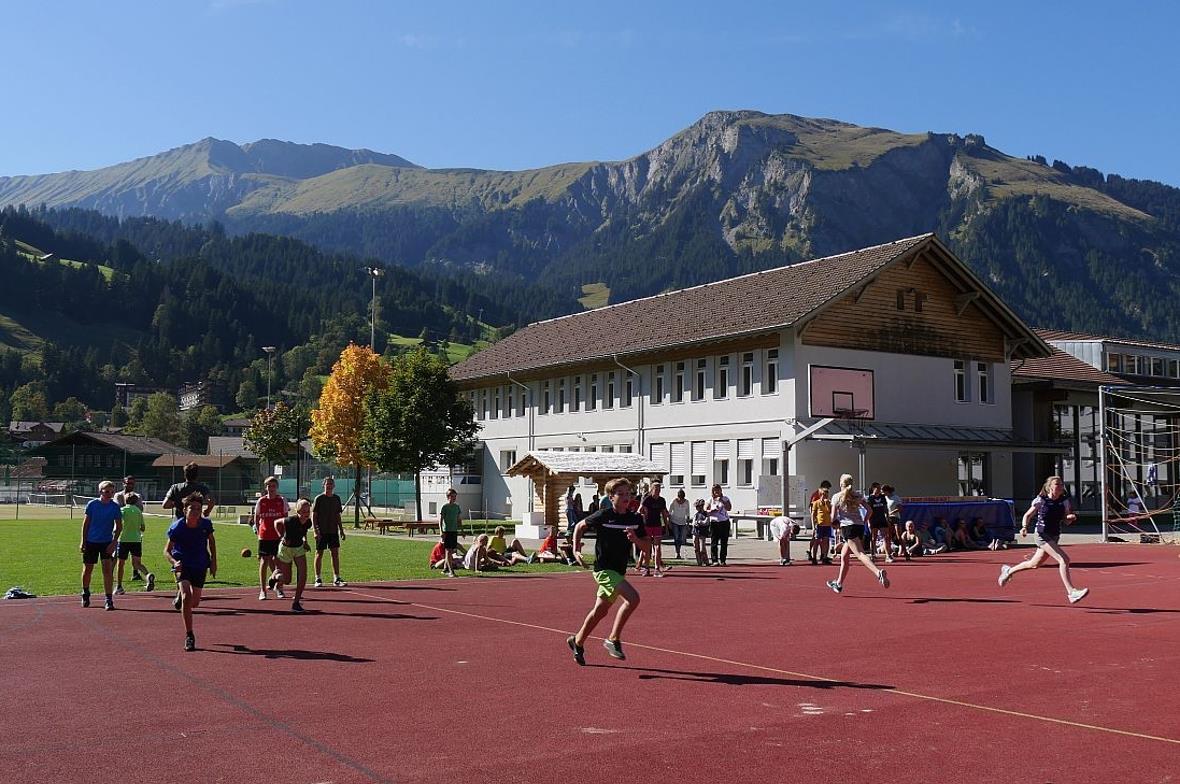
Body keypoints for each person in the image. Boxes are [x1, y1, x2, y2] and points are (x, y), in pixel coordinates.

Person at [566, 477, 646, 665]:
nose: (626, 497)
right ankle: (613, 639)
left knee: (600, 611)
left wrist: (635, 539)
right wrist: (576, 549)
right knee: (633, 598)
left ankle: (577, 641)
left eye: (629, 493)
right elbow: (579, 526)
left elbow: (647, 547)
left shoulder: (635, 519)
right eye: (621, 493)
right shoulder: (604, 515)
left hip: (619, 571)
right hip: (603, 570)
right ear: (611, 497)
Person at [998, 476, 1089, 604]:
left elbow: (1066, 520)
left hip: (1054, 535)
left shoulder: (1064, 501)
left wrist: (1070, 518)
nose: (1061, 486)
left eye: (1062, 484)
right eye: (1057, 484)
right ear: (1050, 487)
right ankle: (1071, 592)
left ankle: (1008, 571)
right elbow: (1027, 515)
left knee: (1034, 564)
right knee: (1064, 559)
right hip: (1042, 534)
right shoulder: (1041, 500)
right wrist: (1024, 527)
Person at [164, 492, 217, 652]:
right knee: (188, 597)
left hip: (200, 564)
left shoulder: (205, 525)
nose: (195, 511)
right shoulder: (178, 527)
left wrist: (214, 561)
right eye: (192, 508)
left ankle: (181, 596)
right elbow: (166, 551)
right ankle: (189, 635)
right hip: (183, 564)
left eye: (198, 508)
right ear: (185, 509)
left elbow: (212, 542)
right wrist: (174, 562)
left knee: (194, 602)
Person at [826, 474, 889, 593]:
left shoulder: (836, 497)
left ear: (841, 484)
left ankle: (878, 573)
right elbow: (870, 510)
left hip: (848, 528)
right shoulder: (858, 495)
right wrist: (864, 521)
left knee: (860, 553)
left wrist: (834, 522)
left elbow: (833, 516)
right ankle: (838, 583)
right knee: (844, 556)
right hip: (859, 526)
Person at [79, 480, 123, 610]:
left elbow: (119, 526)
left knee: (107, 570)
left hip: (106, 542)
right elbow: (86, 524)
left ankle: (108, 599)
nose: (109, 494)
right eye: (106, 491)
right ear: (100, 492)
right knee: (88, 569)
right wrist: (83, 541)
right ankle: (85, 593)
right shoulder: (92, 504)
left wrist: (114, 542)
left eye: (111, 492)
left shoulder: (115, 507)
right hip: (91, 542)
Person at [271, 498, 312, 612]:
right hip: (286, 549)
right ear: (298, 512)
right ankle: (275, 577)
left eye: (308, 511)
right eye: (303, 512)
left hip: (298, 548)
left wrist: (305, 542)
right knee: (287, 580)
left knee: (303, 574)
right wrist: (281, 536)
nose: (306, 514)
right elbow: (276, 522)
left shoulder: (308, 522)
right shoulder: (290, 521)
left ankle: (296, 603)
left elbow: (303, 532)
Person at [253, 476, 288, 599]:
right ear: (265, 487)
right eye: (269, 486)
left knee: (279, 563)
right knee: (264, 561)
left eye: (273, 486)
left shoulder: (281, 500)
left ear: (277, 487)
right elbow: (257, 517)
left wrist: (284, 534)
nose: (271, 488)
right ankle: (263, 590)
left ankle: (279, 588)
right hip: (264, 535)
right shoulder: (261, 501)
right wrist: (258, 531)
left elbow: (285, 518)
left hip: (278, 536)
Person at [114, 491, 155, 594]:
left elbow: (117, 526)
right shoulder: (138, 511)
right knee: (137, 563)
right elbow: (143, 527)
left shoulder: (122, 510)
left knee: (121, 564)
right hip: (136, 540)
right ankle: (147, 574)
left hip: (123, 540)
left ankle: (119, 586)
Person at [311, 477, 347, 588]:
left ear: (334, 486)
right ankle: (318, 578)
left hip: (333, 531)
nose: (329, 486)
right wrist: (315, 530)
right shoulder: (319, 498)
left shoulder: (336, 498)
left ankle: (336, 578)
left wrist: (341, 530)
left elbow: (338, 515)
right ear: (324, 485)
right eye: (327, 484)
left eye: (331, 484)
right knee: (319, 553)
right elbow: (314, 515)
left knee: (335, 553)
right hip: (321, 531)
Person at [638, 481, 670, 576]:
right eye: (656, 488)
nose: (658, 490)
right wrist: (644, 515)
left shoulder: (661, 500)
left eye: (659, 489)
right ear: (652, 489)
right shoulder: (647, 499)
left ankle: (657, 568)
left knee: (657, 547)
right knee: (647, 548)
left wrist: (667, 526)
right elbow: (639, 510)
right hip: (647, 525)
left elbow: (664, 513)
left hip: (657, 525)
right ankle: (646, 568)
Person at [866, 482, 893, 563]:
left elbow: (885, 509)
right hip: (873, 520)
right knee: (873, 538)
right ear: (874, 488)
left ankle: (888, 555)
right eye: (877, 488)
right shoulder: (870, 498)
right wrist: (868, 521)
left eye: (880, 488)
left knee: (886, 537)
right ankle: (873, 555)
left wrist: (887, 517)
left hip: (882, 519)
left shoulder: (882, 497)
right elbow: (868, 510)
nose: (879, 489)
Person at [439, 488, 463, 578]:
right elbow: (440, 520)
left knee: (450, 551)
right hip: (447, 531)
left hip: (454, 531)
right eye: (452, 496)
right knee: (448, 551)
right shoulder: (445, 507)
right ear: (448, 497)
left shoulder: (457, 507)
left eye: (455, 496)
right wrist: (441, 531)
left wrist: (462, 530)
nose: (454, 498)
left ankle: (445, 568)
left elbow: (459, 519)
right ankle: (451, 571)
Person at [706, 484, 732, 566]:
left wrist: (722, 501)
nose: (717, 492)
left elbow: (729, 508)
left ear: (721, 490)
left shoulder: (725, 498)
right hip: (714, 522)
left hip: (724, 522)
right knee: (714, 542)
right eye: (715, 490)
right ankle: (714, 560)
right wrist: (711, 510)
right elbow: (705, 509)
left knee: (724, 542)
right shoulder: (710, 500)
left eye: (718, 490)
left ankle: (723, 560)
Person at [808, 485, 833, 565]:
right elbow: (813, 514)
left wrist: (827, 504)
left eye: (826, 495)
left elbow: (831, 512)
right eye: (823, 494)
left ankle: (825, 557)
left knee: (826, 541)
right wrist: (813, 526)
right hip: (819, 524)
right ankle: (814, 557)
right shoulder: (816, 503)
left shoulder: (829, 503)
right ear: (820, 495)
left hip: (827, 524)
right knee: (817, 541)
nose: (825, 496)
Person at [668, 489, 691, 560]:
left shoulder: (686, 502)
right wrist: (669, 522)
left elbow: (688, 513)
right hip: (675, 521)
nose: (680, 500)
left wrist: (687, 524)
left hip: (683, 522)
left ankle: (679, 550)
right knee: (676, 537)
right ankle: (677, 553)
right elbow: (669, 512)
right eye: (679, 498)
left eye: (682, 498)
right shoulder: (674, 502)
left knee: (681, 538)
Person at [883, 484, 903, 555]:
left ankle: (905, 552)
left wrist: (891, 512)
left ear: (887, 491)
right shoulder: (884, 498)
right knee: (888, 536)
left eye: (884, 491)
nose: (883, 493)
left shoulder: (896, 497)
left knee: (898, 535)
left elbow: (900, 508)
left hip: (895, 518)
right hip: (888, 519)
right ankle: (889, 552)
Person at [691, 499, 711, 566]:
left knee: (702, 548)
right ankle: (699, 562)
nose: (697, 508)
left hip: (702, 532)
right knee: (696, 547)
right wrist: (695, 523)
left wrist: (700, 522)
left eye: (698, 506)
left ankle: (706, 561)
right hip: (695, 532)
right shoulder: (696, 514)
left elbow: (707, 522)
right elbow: (693, 522)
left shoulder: (706, 514)